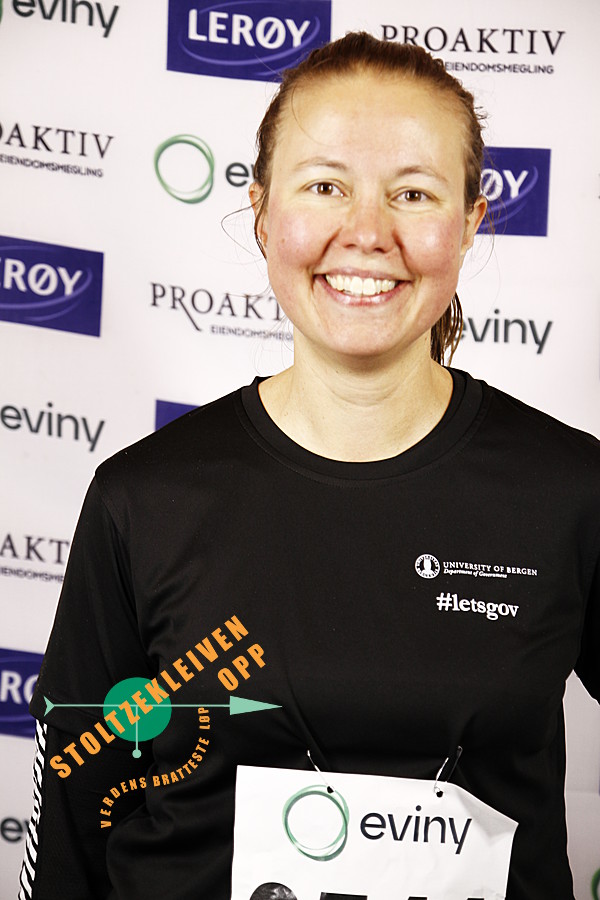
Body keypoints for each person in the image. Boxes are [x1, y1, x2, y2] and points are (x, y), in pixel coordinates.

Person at [20, 31, 599, 900]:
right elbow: (73, 822)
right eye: (325, 186)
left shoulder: (570, 491)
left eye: (413, 193)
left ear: (471, 222)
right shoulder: (143, 499)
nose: (365, 233)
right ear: (261, 213)